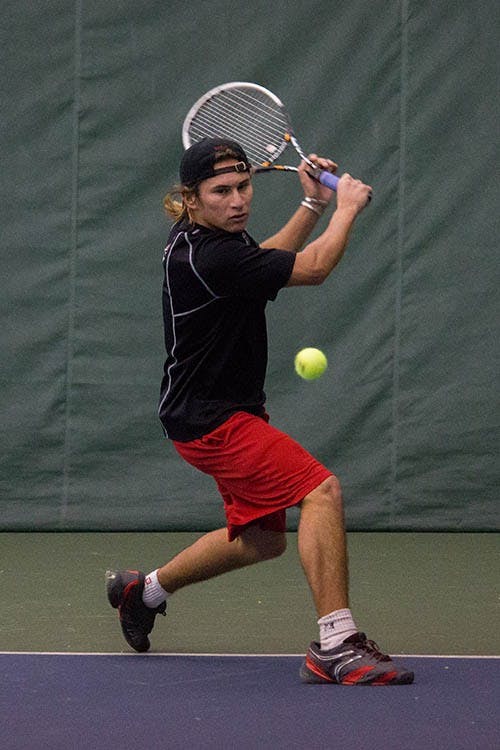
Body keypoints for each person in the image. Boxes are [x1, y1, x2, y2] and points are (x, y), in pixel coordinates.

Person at [106, 137, 414, 685]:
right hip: (211, 420)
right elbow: (311, 268)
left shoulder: (211, 239)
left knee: (263, 540)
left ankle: (144, 590)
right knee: (321, 490)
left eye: (244, 186)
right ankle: (337, 645)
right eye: (221, 191)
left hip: (218, 411)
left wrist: (313, 205)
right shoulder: (207, 253)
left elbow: (263, 264)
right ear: (190, 199)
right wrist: (345, 208)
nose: (237, 200)